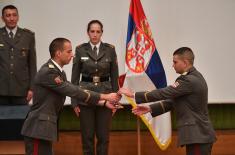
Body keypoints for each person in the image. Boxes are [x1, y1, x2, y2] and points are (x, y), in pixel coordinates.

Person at [21, 38, 120, 155]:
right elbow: (74, 91)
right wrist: (105, 96)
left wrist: (103, 103)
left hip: (44, 128)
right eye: (68, 51)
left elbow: (76, 90)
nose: (72, 55)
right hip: (38, 128)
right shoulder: (48, 72)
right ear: (58, 53)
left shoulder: (59, 72)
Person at [119, 47, 216, 155]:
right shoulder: (195, 76)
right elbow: (174, 102)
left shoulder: (188, 80)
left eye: (175, 62)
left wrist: (134, 95)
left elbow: (164, 93)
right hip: (199, 134)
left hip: (198, 135)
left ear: (185, 62)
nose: (172, 65)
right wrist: (150, 108)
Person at [71, 20, 119, 155]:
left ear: (102, 33)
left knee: (103, 137)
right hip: (85, 97)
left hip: (106, 95)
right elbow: (74, 78)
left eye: (98, 31)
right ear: (88, 32)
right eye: (92, 31)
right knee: (87, 137)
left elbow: (115, 77)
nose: (95, 34)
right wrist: (74, 102)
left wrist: (115, 101)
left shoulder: (110, 49)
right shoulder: (80, 49)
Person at [0, 5, 36, 105]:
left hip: (21, 89)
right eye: (8, 15)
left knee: (21, 119)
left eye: (14, 15)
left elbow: (32, 64)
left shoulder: (28, 36)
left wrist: (32, 88)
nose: (11, 18)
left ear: (18, 17)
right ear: (2, 18)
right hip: (1, 89)